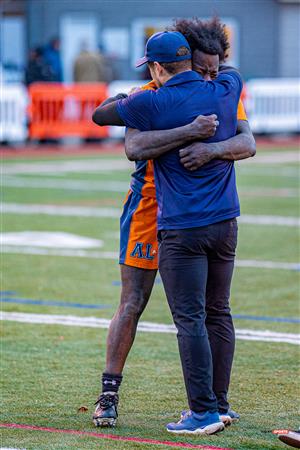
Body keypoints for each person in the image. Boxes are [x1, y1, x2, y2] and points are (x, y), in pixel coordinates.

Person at [92, 20, 255, 431]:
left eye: (217, 70)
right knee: (133, 302)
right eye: (204, 68)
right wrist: (190, 131)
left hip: (187, 217)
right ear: (187, 63)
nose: (211, 77)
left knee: (205, 312)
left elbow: (247, 142)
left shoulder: (219, 91)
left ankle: (213, 405)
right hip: (149, 209)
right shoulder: (151, 96)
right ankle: (108, 394)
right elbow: (130, 142)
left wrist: (210, 148)